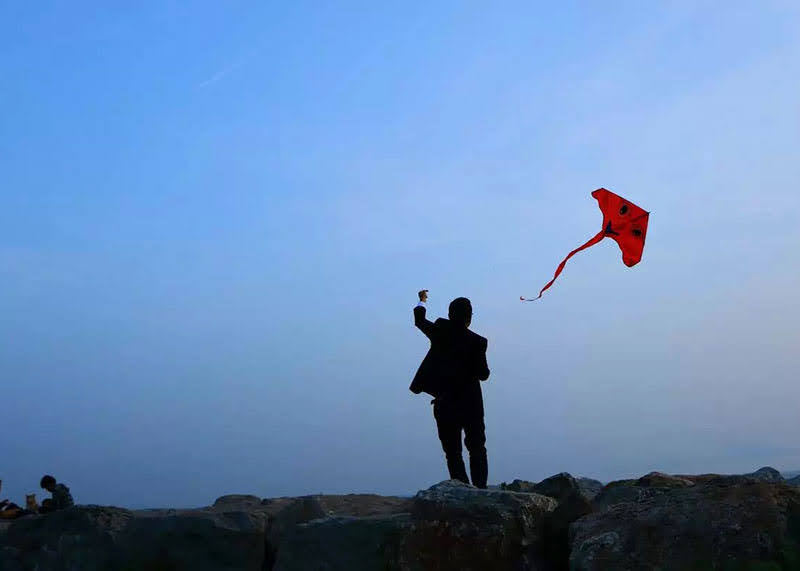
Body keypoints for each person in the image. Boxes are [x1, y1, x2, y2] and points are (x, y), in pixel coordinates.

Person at [410, 289, 491, 488]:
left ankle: (462, 489)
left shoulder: (440, 330)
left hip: (445, 402)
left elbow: (420, 320)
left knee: (452, 452)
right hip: (471, 403)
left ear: (449, 314)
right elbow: (483, 374)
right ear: (469, 317)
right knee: (477, 447)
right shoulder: (478, 342)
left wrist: (422, 301)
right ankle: (480, 489)